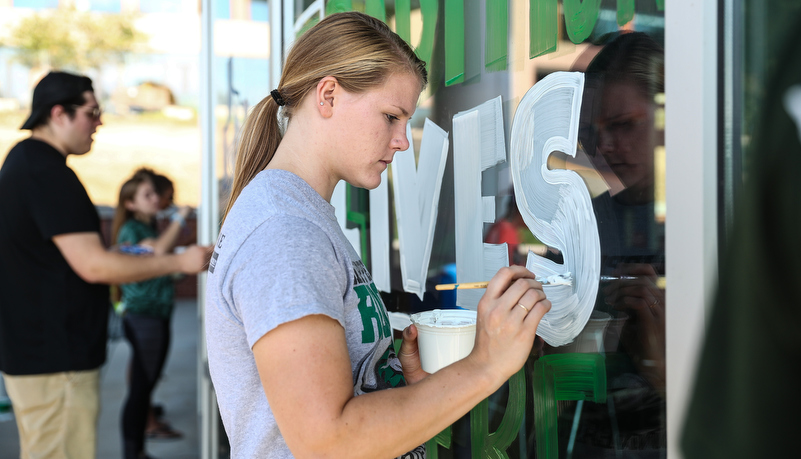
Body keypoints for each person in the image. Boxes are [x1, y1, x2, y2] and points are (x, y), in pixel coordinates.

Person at [204, 11, 551, 459]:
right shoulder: (284, 231)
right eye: (391, 116)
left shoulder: (300, 215)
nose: (403, 140)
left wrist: (402, 388)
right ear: (327, 95)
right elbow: (329, 442)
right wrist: (486, 364)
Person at [0, 71, 210, 459]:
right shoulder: (46, 173)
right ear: (59, 114)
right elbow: (94, 266)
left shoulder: (26, 163)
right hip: (55, 363)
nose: (99, 122)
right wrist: (177, 260)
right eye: (92, 112)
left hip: (39, 356)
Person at [537, 32, 666, 457]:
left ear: (666, 115)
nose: (604, 148)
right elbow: (560, 391)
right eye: (590, 133)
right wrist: (591, 332)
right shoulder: (578, 225)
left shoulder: (717, 221)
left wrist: (658, 362)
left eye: (624, 125)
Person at [112, 170, 191, 459]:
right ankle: (134, 452)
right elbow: (157, 252)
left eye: (155, 194)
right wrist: (181, 217)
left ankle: (137, 450)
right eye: (147, 195)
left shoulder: (148, 226)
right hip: (144, 318)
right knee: (140, 392)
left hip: (153, 316)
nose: (156, 199)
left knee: (144, 387)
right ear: (130, 203)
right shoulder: (132, 231)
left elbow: (158, 269)